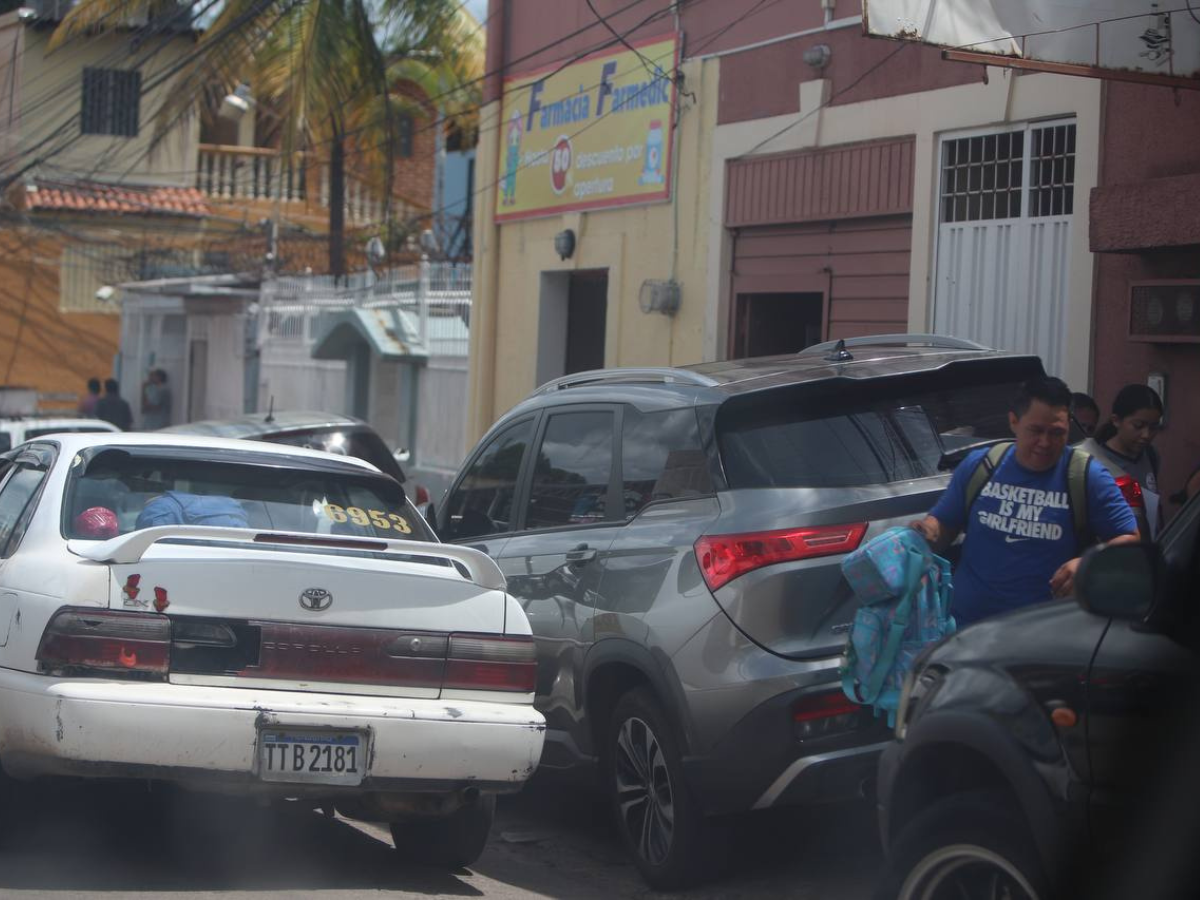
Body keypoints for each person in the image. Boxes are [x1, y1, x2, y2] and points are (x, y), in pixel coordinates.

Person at [910, 376, 1139, 628]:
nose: (1045, 442)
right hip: (966, 633)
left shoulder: (1087, 477)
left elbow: (1129, 541)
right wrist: (924, 533)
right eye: (1036, 431)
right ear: (1014, 422)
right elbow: (944, 524)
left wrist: (1088, 565)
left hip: (1042, 639)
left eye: (1057, 433)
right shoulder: (981, 466)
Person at [1079, 384, 1164, 538]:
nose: (1146, 435)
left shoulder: (1151, 455)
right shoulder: (1094, 461)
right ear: (1116, 421)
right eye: (1138, 426)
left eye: (1154, 427)